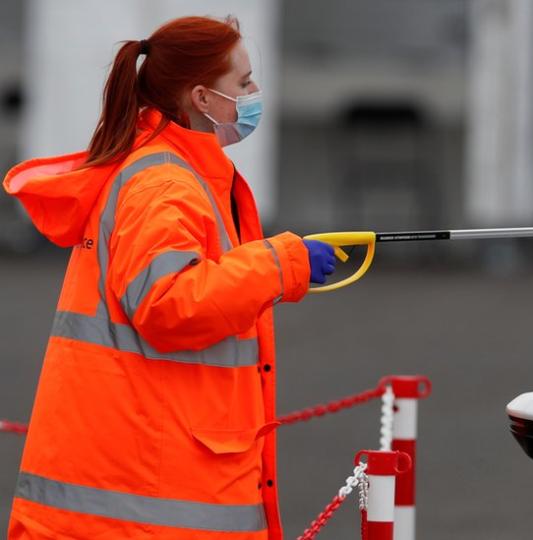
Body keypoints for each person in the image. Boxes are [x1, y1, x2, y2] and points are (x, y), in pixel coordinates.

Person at [2, 16, 337, 539]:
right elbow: (170, 304)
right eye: (243, 83)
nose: (254, 93)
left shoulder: (171, 172)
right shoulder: (165, 185)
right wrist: (283, 263)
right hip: (144, 499)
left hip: (133, 485)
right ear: (202, 98)